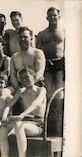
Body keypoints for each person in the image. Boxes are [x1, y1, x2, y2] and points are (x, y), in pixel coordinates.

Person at [0, 67, 47, 157]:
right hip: (24, 122)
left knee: (18, 125)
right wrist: (4, 116)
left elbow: (35, 104)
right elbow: (9, 105)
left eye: (27, 77)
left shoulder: (41, 90)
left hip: (37, 124)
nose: (24, 80)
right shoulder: (21, 92)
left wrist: (22, 115)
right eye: (22, 78)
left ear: (33, 77)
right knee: (3, 128)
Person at [36, 7, 65, 137]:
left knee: (59, 95)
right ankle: (49, 125)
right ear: (46, 18)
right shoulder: (42, 34)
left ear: (59, 17)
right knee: (47, 94)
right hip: (47, 65)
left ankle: (61, 125)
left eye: (55, 16)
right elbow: (38, 53)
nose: (52, 18)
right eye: (50, 16)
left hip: (60, 64)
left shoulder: (64, 32)